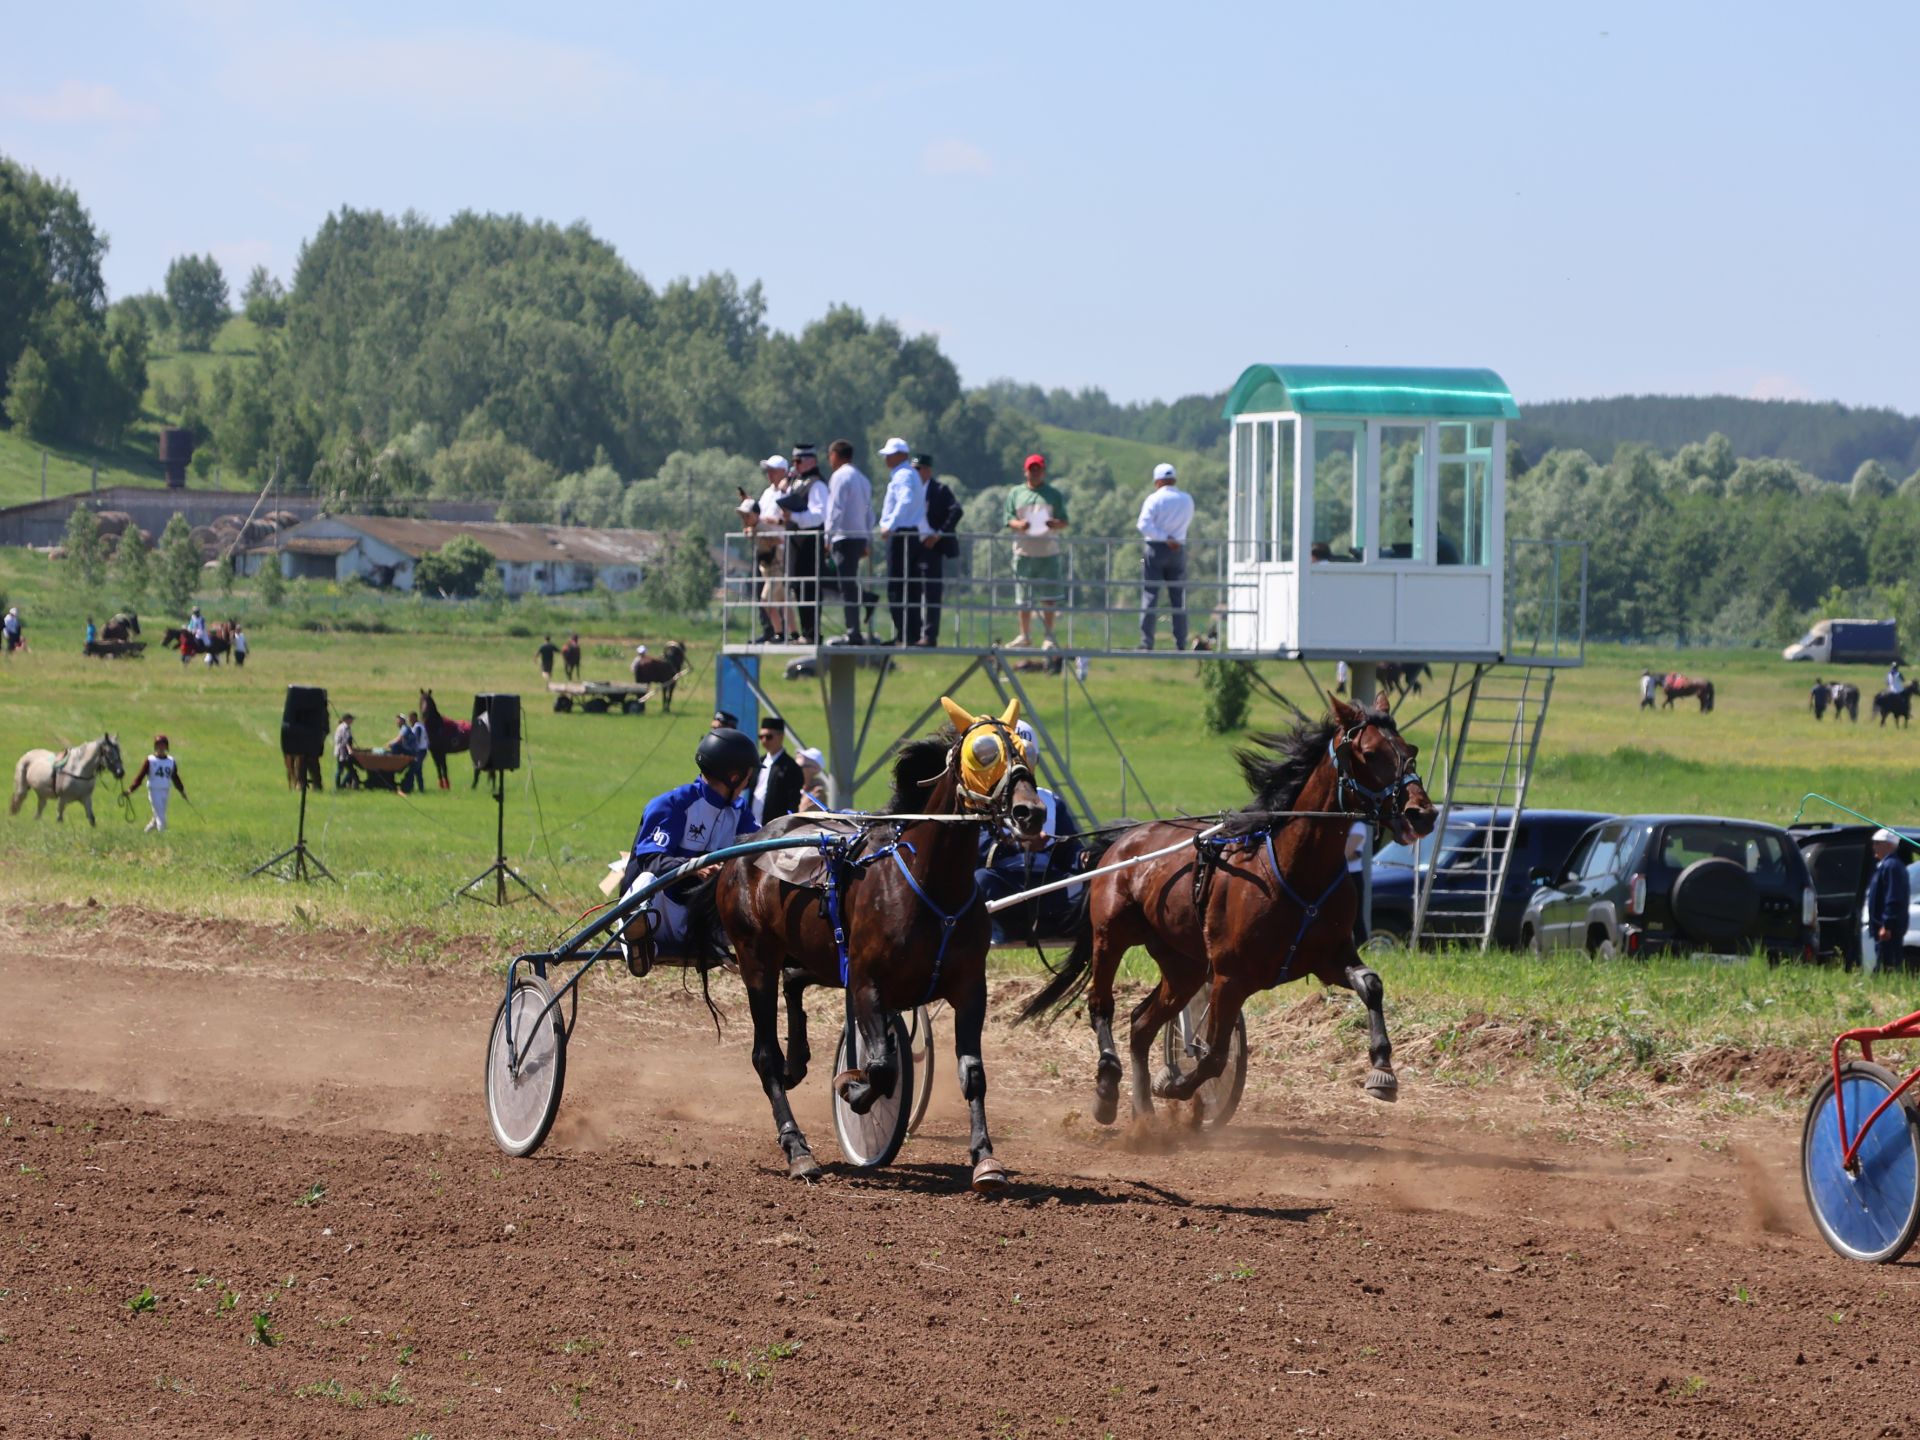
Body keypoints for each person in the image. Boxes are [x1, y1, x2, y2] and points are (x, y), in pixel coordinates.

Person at [616, 728, 761, 975]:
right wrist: (694, 866)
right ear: (734, 777)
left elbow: (762, 846)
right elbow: (652, 861)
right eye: (749, 775)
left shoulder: (739, 812)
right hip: (658, 915)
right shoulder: (672, 804)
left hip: (699, 921)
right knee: (646, 880)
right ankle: (636, 939)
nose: (750, 782)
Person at [976, 781, 1084, 941]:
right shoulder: (985, 801)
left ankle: (1057, 928)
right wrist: (1018, 843)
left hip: (1046, 882)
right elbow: (979, 844)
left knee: (1084, 884)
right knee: (981, 880)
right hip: (1005, 880)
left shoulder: (1050, 799)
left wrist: (1083, 857)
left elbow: (1068, 848)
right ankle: (992, 927)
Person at [1004, 454, 1070, 650]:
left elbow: (1064, 520)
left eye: (1038, 470)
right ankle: (1024, 635)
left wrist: (1054, 524)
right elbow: (1008, 518)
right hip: (1024, 551)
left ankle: (1049, 637)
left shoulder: (1054, 494)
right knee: (1023, 597)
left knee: (1049, 597)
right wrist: (1020, 524)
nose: (1035, 473)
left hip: (1048, 551)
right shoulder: (1016, 493)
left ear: (1044, 472)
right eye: (1031, 469)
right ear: (1025, 471)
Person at [876, 436, 930, 646]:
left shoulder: (902, 475)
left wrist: (891, 524)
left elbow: (905, 499)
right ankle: (910, 633)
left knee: (897, 585)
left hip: (901, 535)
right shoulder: (910, 474)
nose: (886, 459)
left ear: (901, 456)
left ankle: (904, 634)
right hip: (910, 533)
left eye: (890, 455)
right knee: (910, 586)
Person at [1136, 462, 1195, 651]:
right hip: (1179, 549)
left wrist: (1163, 537)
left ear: (1158, 481)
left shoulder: (1154, 500)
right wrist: (1174, 538)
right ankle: (1180, 642)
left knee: (1150, 594)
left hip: (1155, 548)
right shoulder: (1187, 499)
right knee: (1178, 598)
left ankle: (1147, 642)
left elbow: (1143, 525)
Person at [822, 439, 873, 645]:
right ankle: (862, 611)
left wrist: (828, 536)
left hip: (844, 536)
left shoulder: (840, 477)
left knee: (846, 585)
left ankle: (853, 631)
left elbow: (835, 509)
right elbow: (870, 513)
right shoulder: (863, 479)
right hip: (859, 536)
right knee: (847, 582)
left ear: (836, 455)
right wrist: (867, 539)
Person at [778, 443, 830, 644]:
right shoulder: (795, 483)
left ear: (812, 461)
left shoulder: (816, 484)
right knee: (798, 588)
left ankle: (812, 633)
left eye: (798, 461)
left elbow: (818, 516)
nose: (795, 465)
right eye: (793, 461)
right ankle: (805, 633)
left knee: (809, 588)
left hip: (810, 543)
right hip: (796, 542)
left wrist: (795, 516)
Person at [751, 455, 798, 642]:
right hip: (767, 549)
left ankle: (780, 633)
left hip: (781, 549)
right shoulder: (767, 493)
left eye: (772, 470)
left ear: (782, 472)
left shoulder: (788, 493)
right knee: (782, 598)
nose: (768, 474)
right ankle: (792, 633)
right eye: (768, 470)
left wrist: (772, 521)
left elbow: (791, 520)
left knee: (768, 598)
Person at [917, 453, 960, 647]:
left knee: (932, 591)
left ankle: (930, 635)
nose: (915, 473)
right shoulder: (909, 490)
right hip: (913, 546)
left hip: (932, 548)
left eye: (918, 469)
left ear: (928, 470)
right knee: (912, 589)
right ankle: (912, 632)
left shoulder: (940, 490)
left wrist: (939, 534)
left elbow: (956, 510)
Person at [1867, 828, 1911, 972]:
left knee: (1887, 967)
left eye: (1878, 843)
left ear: (1889, 845)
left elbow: (1894, 898)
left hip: (1888, 930)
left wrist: (1887, 924)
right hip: (1885, 929)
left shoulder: (1891, 866)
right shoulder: (1888, 865)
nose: (1874, 847)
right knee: (1884, 965)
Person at [125, 733, 187, 834]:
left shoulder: (171, 761)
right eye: (158, 745)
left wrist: (182, 791)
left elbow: (175, 777)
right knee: (161, 818)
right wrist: (131, 789)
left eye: (163, 745)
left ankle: (145, 833)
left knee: (156, 817)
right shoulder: (150, 760)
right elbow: (140, 777)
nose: (161, 748)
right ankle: (163, 839)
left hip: (165, 791)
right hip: (154, 791)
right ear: (155, 746)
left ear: (167, 747)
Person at [750, 715, 805, 824]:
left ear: (781, 736)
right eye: (761, 737)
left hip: (775, 828)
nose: (764, 740)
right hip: (753, 825)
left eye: (769, 736)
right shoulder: (758, 762)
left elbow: (793, 802)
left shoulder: (790, 767)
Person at [1346, 819, 1370, 946]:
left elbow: (1346, 853)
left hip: (1353, 876)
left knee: (1355, 917)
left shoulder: (1358, 826)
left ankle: (1363, 947)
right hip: (1339, 875)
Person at [796, 746, 829, 810]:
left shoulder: (817, 793)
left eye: (800, 767)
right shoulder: (796, 789)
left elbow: (798, 816)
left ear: (815, 769)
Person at [403, 710, 428, 794]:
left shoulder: (418, 727)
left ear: (414, 718)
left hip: (419, 751)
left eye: (410, 718)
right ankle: (421, 789)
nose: (409, 720)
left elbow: (417, 741)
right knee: (418, 771)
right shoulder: (417, 726)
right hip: (420, 751)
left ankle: (410, 787)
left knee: (413, 770)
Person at [333, 712, 358, 790]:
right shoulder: (344, 728)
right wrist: (350, 749)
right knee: (342, 769)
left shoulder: (345, 727)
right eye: (351, 719)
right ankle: (339, 786)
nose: (352, 721)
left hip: (343, 751)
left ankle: (342, 785)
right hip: (342, 751)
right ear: (347, 720)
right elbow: (345, 740)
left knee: (348, 769)